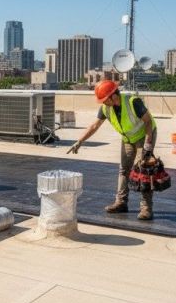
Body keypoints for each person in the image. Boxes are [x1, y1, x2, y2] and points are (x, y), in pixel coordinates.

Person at [68, 79, 158, 220]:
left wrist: (147, 145)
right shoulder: (106, 108)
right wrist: (80, 141)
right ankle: (121, 202)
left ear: (113, 96)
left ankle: (146, 208)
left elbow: (148, 122)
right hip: (128, 138)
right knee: (124, 170)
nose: (103, 103)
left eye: (105, 99)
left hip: (144, 135)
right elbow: (94, 126)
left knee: (144, 170)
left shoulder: (133, 102)